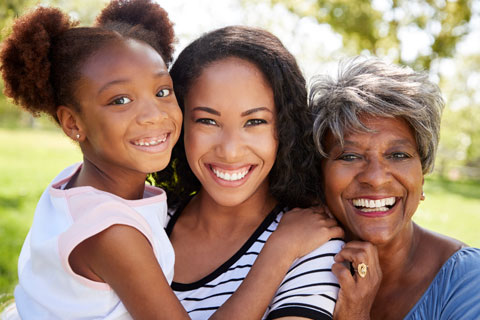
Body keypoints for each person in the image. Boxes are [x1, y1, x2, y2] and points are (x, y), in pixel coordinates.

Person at [0, 1, 340, 318]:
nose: (152, 115)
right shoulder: (113, 231)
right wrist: (278, 253)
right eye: (120, 100)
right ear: (73, 123)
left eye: (162, 92)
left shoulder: (75, 189)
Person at [154, 25, 345, 320]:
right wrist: (276, 255)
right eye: (207, 121)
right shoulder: (146, 223)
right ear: (180, 124)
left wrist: (284, 248)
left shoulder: (312, 242)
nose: (230, 151)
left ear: (284, 128)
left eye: (255, 122)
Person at [309, 57, 480, 319]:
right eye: (350, 156)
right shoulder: (299, 267)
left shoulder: (468, 280)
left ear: (422, 174)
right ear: (320, 174)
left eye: (398, 155)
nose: (376, 179)